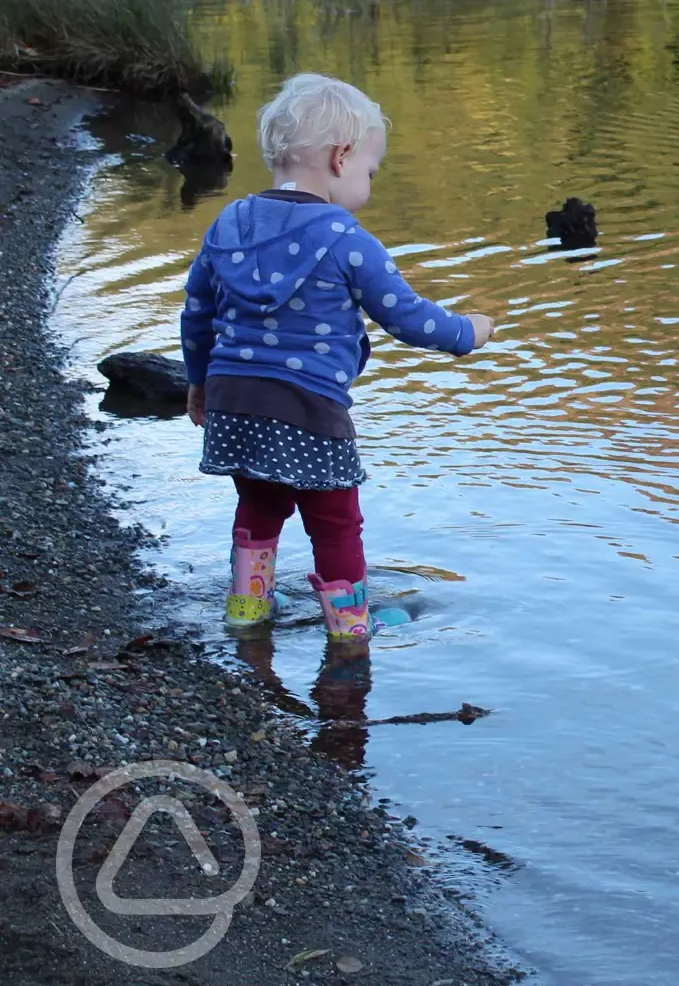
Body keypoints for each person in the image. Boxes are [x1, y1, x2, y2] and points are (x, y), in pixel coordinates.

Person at [180, 74, 495, 645]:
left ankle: (247, 612)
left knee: (259, 504)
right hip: (308, 408)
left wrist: (198, 383)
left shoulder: (228, 223)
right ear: (341, 157)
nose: (369, 185)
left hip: (234, 402)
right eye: (370, 172)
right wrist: (466, 332)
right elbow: (406, 315)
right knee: (335, 521)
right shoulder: (345, 237)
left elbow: (197, 314)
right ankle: (351, 628)